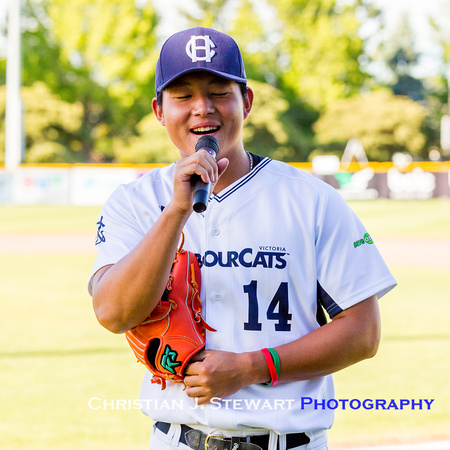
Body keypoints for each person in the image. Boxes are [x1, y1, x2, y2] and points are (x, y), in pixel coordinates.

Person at [88, 27, 396, 450]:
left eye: (219, 92)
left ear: (245, 102)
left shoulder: (312, 200)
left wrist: (254, 366)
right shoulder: (135, 203)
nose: (202, 109)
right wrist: (176, 213)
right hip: (178, 440)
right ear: (159, 110)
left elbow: (363, 333)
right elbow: (112, 312)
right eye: (183, 96)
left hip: (287, 440)